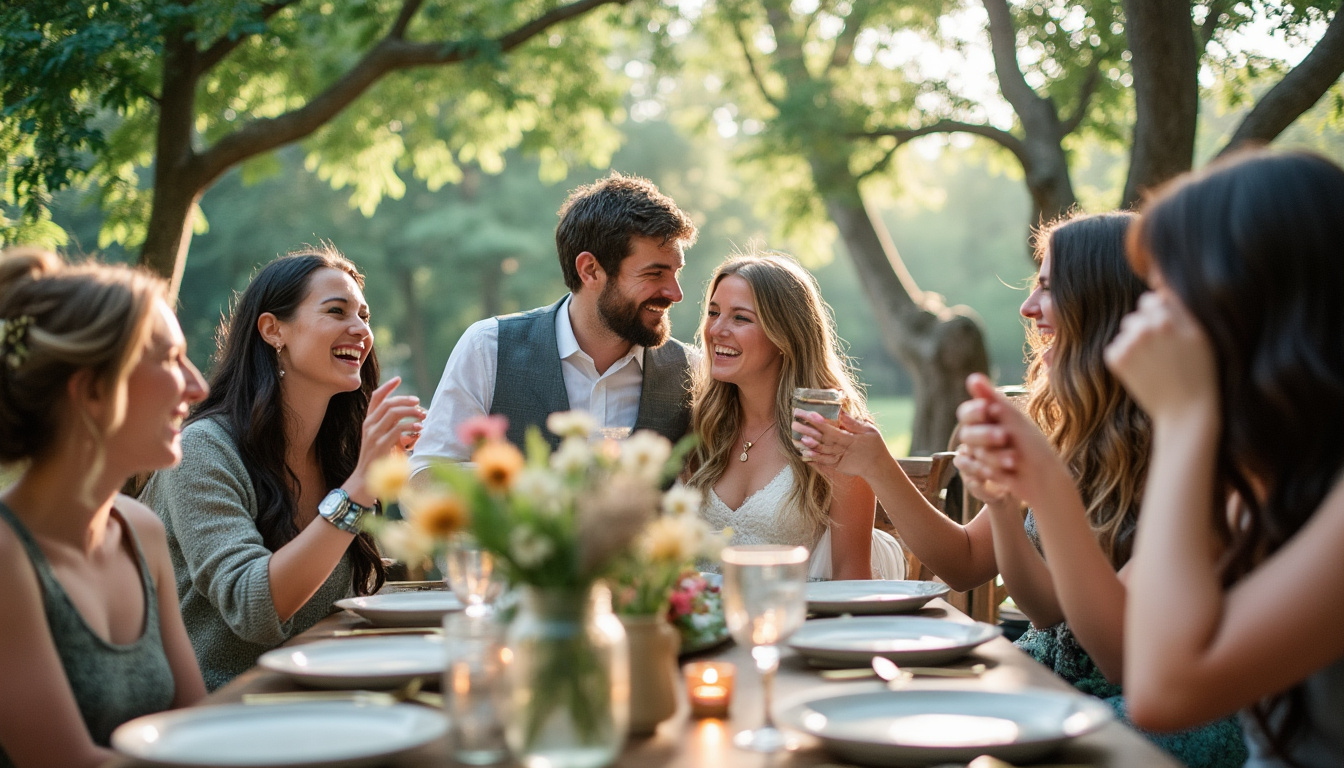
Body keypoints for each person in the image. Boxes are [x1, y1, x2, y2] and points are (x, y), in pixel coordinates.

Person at [796, 213, 1244, 766]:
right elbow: (1025, 600)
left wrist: (1042, 484)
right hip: (1051, 674)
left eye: (1049, 286)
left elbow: (1119, 657)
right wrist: (999, 508)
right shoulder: (1070, 426)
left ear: (1102, 301)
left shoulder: (1193, 446)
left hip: (1147, 712)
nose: (1027, 307)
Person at [1098, 151, 1344, 768]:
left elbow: (1162, 691)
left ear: (1248, 300)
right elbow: (1134, 639)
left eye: (1163, 293)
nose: (1143, 322)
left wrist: (1184, 420)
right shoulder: (1270, 474)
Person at [140, 246, 424, 690]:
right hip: (225, 711)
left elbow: (378, 584)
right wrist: (359, 488)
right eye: (337, 311)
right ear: (274, 330)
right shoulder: (202, 451)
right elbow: (254, 608)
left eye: (364, 316)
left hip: (326, 691)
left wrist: (405, 482)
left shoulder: (340, 454)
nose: (361, 330)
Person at [0, 247, 208, 767]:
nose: (198, 386)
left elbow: (199, 726)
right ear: (93, 388)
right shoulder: (7, 557)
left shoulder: (141, 529)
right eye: (168, 359)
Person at [410, 171, 698, 472]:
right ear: (590, 270)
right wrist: (520, 484)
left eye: (675, 273)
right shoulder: (488, 347)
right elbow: (424, 477)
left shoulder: (691, 370)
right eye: (654, 274)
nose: (675, 294)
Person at [685, 253, 904, 580]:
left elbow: (851, 576)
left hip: (800, 623)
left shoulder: (834, 433)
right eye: (713, 313)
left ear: (784, 336)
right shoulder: (701, 422)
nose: (716, 330)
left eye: (740, 318)